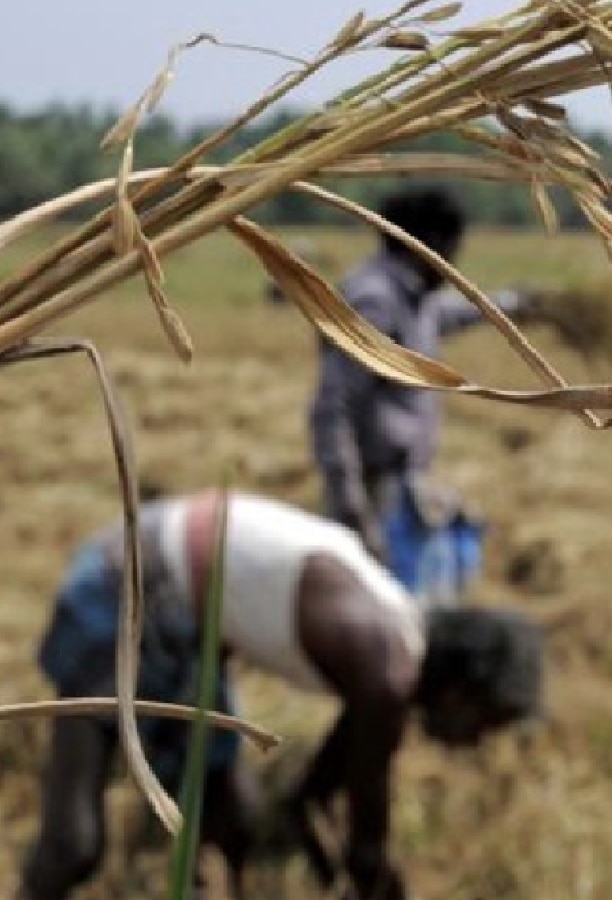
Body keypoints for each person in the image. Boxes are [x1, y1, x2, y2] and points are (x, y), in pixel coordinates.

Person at [15, 489, 544, 900]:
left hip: (190, 623)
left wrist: (330, 857)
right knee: (74, 846)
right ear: (459, 694)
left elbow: (310, 800)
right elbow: (367, 853)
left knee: (233, 816)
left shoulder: (389, 651)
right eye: (482, 721)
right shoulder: (383, 671)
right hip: (127, 582)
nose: (475, 740)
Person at [310, 185, 555, 604]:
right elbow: (333, 407)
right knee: (381, 617)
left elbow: (449, 313)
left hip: (405, 483)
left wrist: (514, 304)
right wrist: (350, 508)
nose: (454, 263)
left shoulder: (416, 295)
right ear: (428, 243)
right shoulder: (375, 302)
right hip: (374, 488)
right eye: (451, 249)